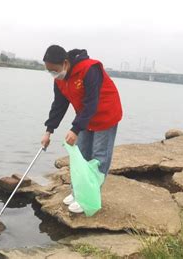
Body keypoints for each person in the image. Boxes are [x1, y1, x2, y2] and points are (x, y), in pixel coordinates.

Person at [40, 45, 123, 214]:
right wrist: (49, 131)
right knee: (82, 155)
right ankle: (78, 193)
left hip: (106, 113)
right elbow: (59, 105)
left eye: (54, 70)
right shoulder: (59, 79)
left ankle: (90, 198)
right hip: (85, 116)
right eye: (49, 71)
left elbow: (92, 102)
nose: (53, 74)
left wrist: (75, 129)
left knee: (98, 158)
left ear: (65, 63)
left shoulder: (89, 69)